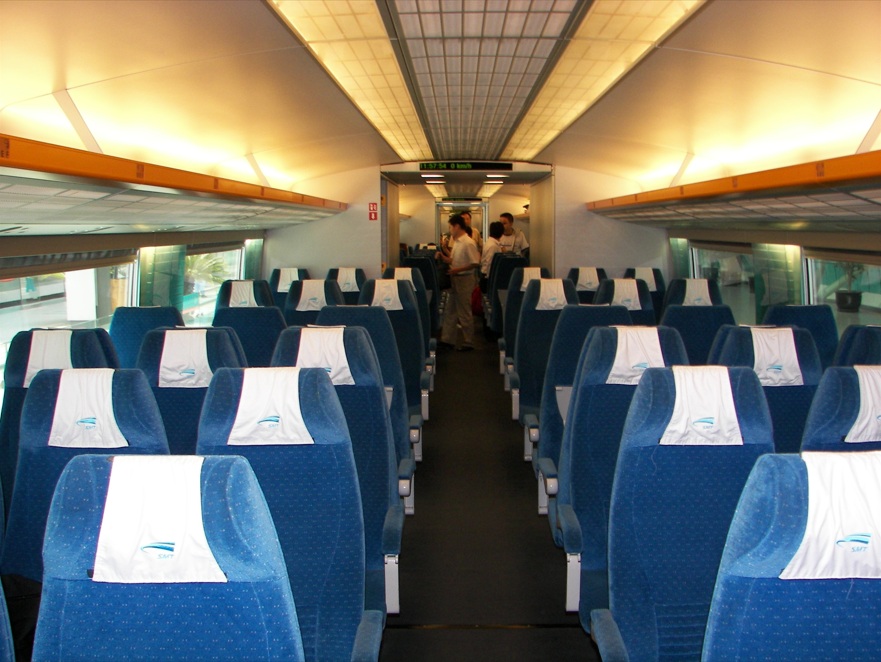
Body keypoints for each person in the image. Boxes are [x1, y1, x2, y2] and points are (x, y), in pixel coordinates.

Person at [437, 214, 480, 351]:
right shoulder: (457, 242)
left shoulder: (468, 243)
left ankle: (468, 341)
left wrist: (457, 270)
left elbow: (475, 263)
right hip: (455, 278)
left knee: (464, 311)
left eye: (450, 227)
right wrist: (443, 256)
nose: (450, 230)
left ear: (456, 226)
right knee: (450, 310)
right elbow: (453, 260)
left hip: (464, 279)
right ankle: (447, 340)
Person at [480, 221, 504, 294]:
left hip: (486, 275)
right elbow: (490, 263)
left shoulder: (490, 243)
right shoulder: (493, 246)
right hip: (488, 277)